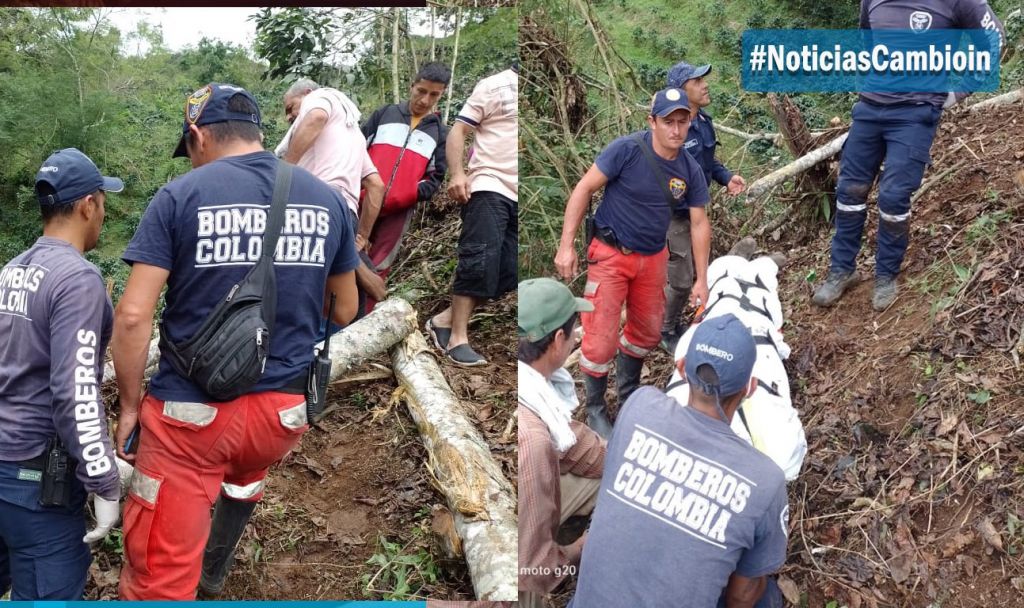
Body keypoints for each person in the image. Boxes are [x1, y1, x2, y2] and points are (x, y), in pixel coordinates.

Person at [111, 83, 359, 599]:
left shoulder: (181, 196)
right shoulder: (325, 199)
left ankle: (182, 578)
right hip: (282, 416)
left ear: (199, 136)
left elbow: (134, 316)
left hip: (191, 418)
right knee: (243, 472)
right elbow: (346, 307)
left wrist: (131, 406)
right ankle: (215, 572)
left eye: (189, 151)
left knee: (159, 573)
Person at [571, 314, 788, 608]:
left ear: (683, 368)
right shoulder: (765, 480)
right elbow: (740, 597)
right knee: (765, 594)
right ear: (749, 387)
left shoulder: (639, 406)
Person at [812, 0, 1005, 311]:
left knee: (893, 196)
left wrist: (960, 91)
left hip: (915, 115)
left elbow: (995, 38)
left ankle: (886, 275)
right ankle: (842, 270)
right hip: (869, 109)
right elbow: (867, 38)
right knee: (850, 190)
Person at [0, 148, 123, 599]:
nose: (103, 214)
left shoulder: (12, 271)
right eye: (103, 203)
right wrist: (104, 482)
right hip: (34, 483)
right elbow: (74, 392)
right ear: (88, 204)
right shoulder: (77, 279)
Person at [554, 88, 711, 438]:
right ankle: (595, 408)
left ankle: (628, 397)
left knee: (647, 331)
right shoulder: (627, 150)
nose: (675, 129)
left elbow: (699, 222)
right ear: (651, 122)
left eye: (682, 121)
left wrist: (702, 279)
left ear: (690, 122)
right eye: (667, 121)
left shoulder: (689, 169)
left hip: (653, 257)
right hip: (611, 254)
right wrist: (566, 245)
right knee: (600, 336)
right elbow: (583, 189)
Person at [517, 278, 606, 608]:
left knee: (600, 470)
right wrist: (579, 549)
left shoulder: (531, 390)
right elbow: (532, 567)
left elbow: (576, 445)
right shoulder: (533, 441)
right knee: (527, 587)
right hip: (511, 560)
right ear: (557, 340)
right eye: (573, 331)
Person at [425, 66, 518, 367]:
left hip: (519, 191)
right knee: (478, 262)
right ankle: (457, 339)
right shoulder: (494, 85)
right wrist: (457, 174)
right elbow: (459, 130)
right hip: (490, 182)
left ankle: (443, 320)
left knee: (509, 270)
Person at [279, 78, 387, 318]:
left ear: (306, 93)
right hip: (345, 214)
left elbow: (316, 117)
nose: (289, 117)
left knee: (310, 297)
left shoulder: (321, 97)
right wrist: (362, 236)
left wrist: (283, 175)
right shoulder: (354, 136)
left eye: (290, 108)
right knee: (348, 296)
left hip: (313, 210)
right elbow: (376, 186)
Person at [660, 61, 748, 352]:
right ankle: (665, 329)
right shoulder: (669, 131)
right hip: (673, 215)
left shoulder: (703, 122)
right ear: (681, 91)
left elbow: (708, 163)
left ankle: (675, 321)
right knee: (683, 280)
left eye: (703, 79)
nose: (705, 84)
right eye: (697, 81)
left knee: (697, 273)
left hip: (695, 212)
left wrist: (726, 178)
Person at [360, 62, 451, 311]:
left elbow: (434, 179)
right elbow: (356, 151)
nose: (424, 99)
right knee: (347, 253)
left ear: (442, 94)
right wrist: (360, 188)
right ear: (412, 85)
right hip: (362, 200)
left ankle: (362, 322)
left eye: (433, 94)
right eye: (421, 91)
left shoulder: (440, 133)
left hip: (400, 210)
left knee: (380, 264)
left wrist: (405, 194)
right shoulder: (384, 114)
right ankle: (334, 317)